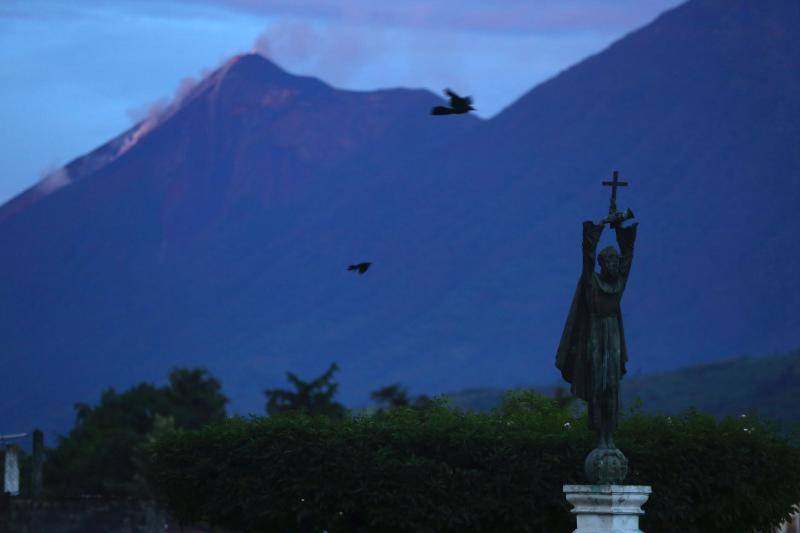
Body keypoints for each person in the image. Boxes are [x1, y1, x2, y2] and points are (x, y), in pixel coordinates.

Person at [556, 214, 638, 450]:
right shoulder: (592, 282)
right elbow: (587, 257)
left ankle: (610, 436)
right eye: (610, 261)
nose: (615, 264)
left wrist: (620, 227)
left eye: (616, 261)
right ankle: (599, 435)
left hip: (612, 334)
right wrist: (600, 227)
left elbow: (629, 256)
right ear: (603, 264)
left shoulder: (618, 285)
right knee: (597, 386)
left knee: (612, 386)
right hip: (594, 334)